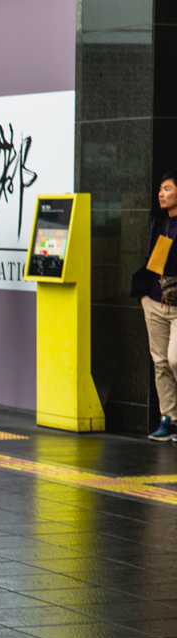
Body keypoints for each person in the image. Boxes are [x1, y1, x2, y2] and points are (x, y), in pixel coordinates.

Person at [131, 171, 177, 440]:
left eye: (167, 189)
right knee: (160, 361)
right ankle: (169, 418)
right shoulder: (159, 220)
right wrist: (145, 296)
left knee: (174, 358)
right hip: (155, 299)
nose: (161, 193)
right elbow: (152, 259)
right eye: (160, 189)